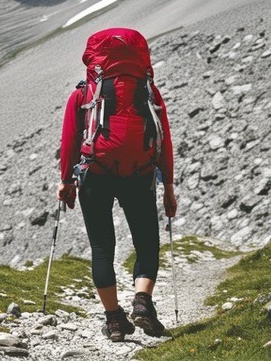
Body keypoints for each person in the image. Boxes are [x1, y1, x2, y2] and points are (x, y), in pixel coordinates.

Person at [57, 27, 177, 342]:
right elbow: (164, 138)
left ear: (95, 58)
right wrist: (169, 188)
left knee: (101, 247)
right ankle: (142, 301)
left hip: (95, 172)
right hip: (139, 173)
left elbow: (70, 142)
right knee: (147, 243)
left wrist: (66, 181)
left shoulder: (83, 94)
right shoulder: (149, 92)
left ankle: (113, 320)